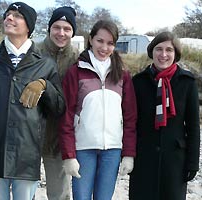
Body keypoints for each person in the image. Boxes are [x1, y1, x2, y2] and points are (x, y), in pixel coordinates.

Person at [0, 2, 65, 200]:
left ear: (29, 26)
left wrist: (45, 86)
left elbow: (59, 107)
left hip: (27, 156)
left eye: (17, 15)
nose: (9, 18)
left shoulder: (46, 64)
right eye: (8, 14)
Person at [59, 20, 137, 200]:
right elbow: (66, 116)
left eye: (110, 43)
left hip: (113, 150)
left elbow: (130, 117)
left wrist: (128, 154)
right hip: (83, 149)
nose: (104, 47)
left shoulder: (123, 74)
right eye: (100, 41)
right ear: (91, 40)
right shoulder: (76, 71)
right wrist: (69, 155)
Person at [129, 31, 200, 200]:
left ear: (175, 54)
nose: (163, 54)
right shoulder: (138, 82)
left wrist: (193, 162)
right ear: (151, 52)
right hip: (143, 159)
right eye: (159, 49)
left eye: (169, 50)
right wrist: (128, 155)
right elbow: (130, 123)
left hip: (175, 161)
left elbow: (193, 126)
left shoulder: (187, 83)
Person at [36, 6, 79, 200]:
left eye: (67, 29)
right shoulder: (33, 52)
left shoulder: (78, 59)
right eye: (56, 27)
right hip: (31, 134)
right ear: (49, 28)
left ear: (73, 32)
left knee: (60, 194)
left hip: (59, 137)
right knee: (25, 192)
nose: (61, 33)